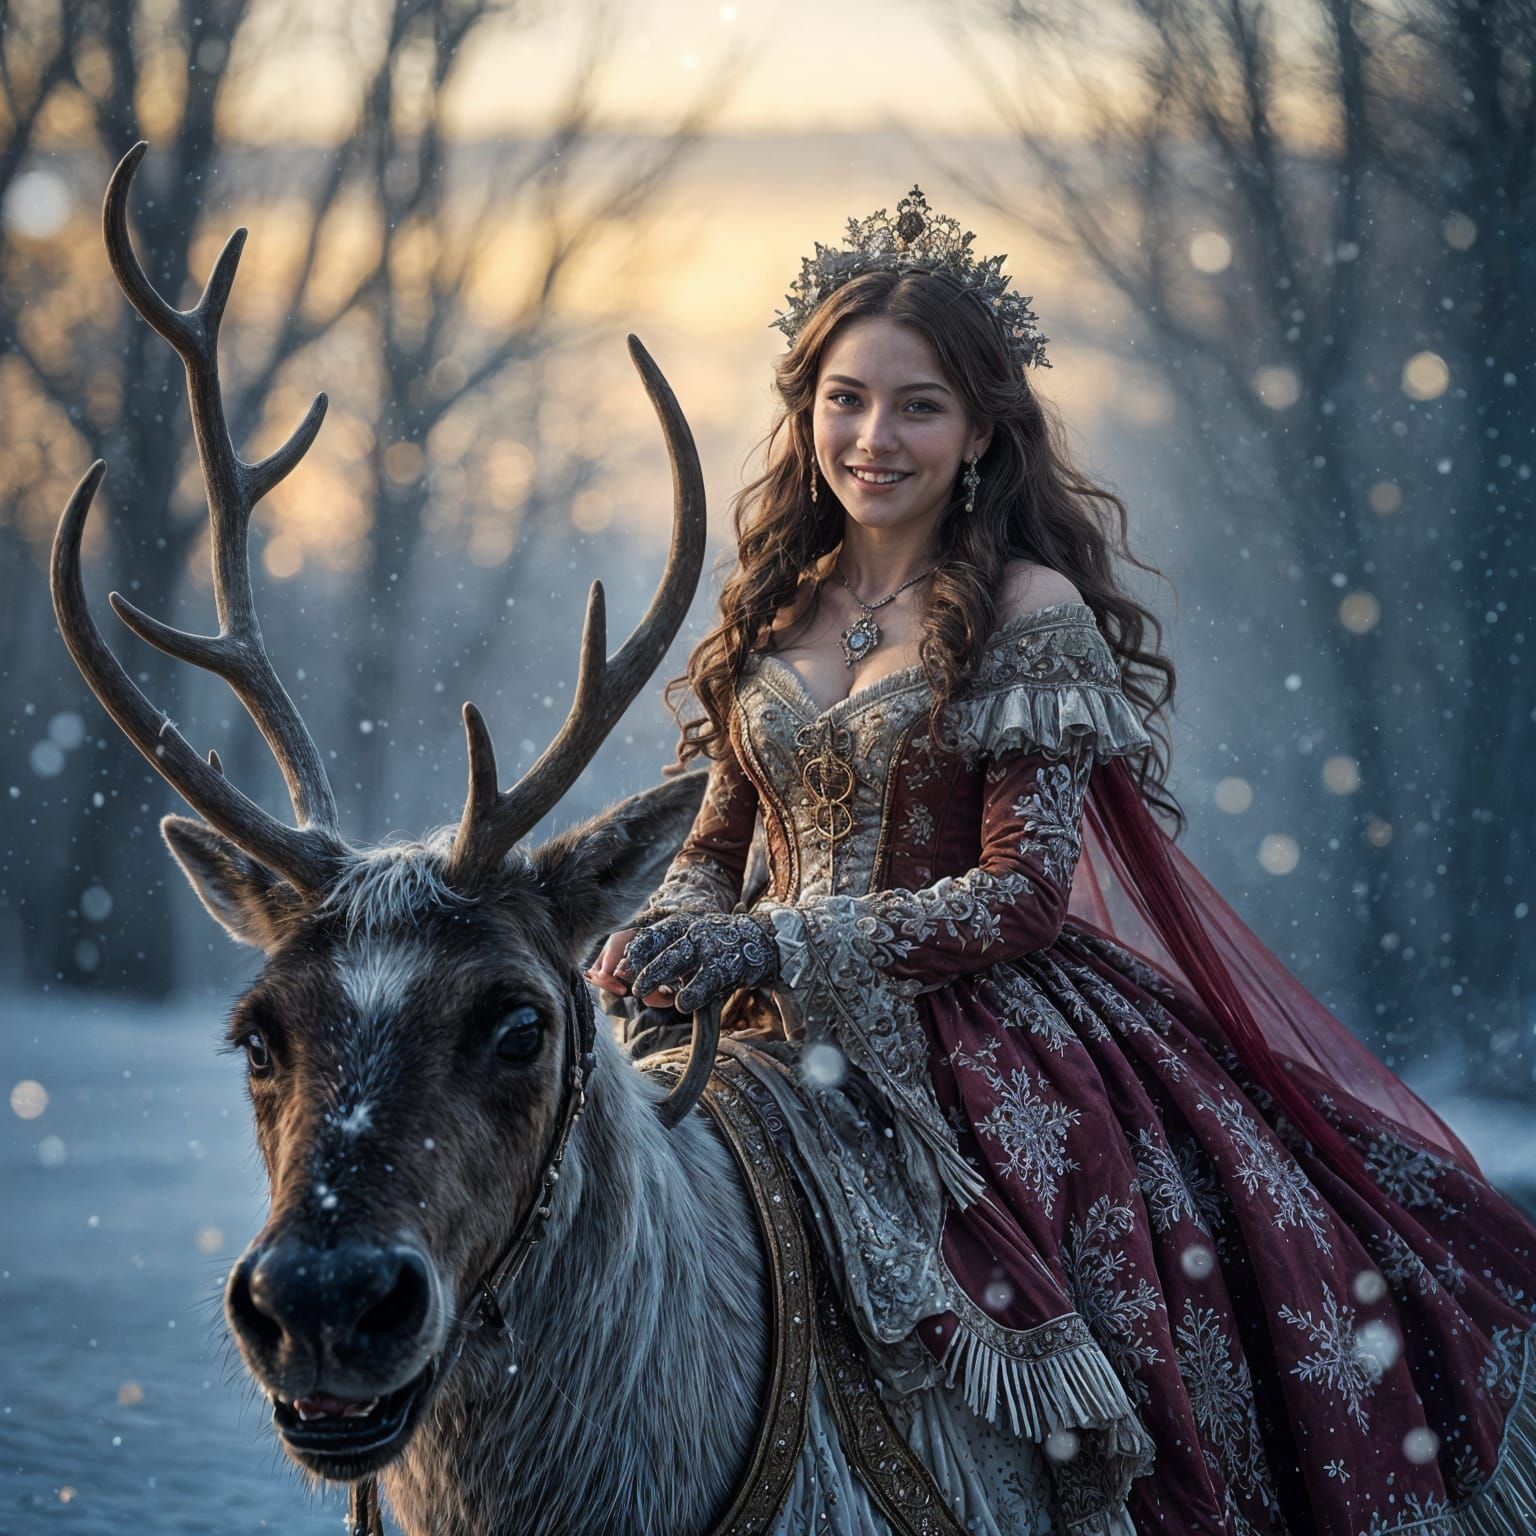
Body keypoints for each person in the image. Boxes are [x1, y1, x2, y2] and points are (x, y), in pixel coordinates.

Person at [587, 188, 1536, 1536]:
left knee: (1125, 1361)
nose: (873, 436)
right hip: (762, 1029)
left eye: (918, 405)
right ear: (806, 413)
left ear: (981, 431)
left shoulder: (1029, 611)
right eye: (846, 399)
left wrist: (778, 941)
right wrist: (678, 931)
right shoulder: (777, 607)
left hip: (985, 1044)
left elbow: (1023, 895)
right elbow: (718, 847)